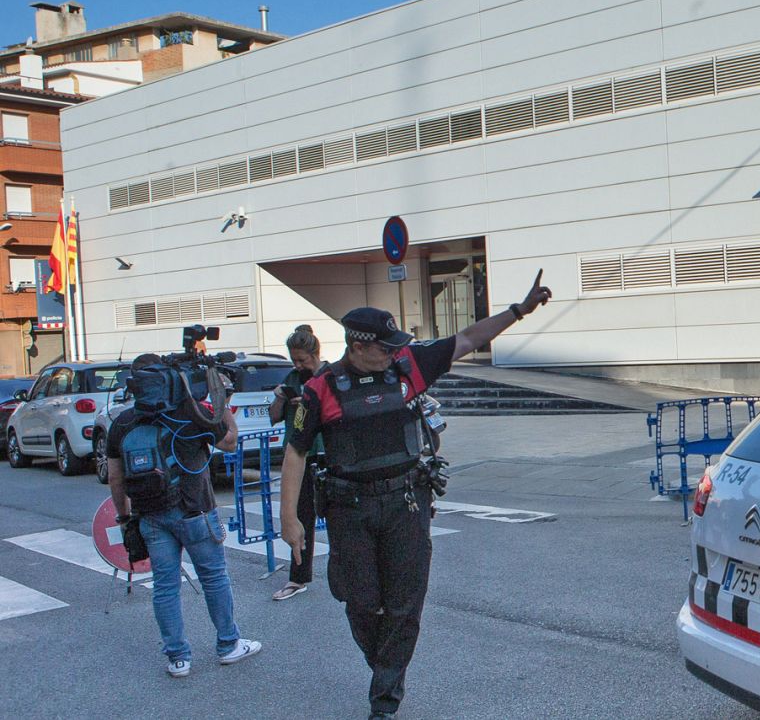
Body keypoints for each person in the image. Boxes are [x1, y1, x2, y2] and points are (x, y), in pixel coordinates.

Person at [279, 274, 551, 720]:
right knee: (361, 602)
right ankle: (386, 667)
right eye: (383, 347)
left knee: (405, 603)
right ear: (357, 345)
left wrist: (518, 311)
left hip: (406, 503)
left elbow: (465, 338)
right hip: (349, 510)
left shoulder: (407, 365)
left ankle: (384, 699)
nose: (391, 352)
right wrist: (290, 519)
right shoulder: (320, 389)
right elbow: (296, 450)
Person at [106, 353, 262, 678]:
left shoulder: (122, 423)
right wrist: (223, 405)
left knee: (165, 587)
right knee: (214, 578)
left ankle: (178, 658)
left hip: (151, 516)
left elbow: (116, 478)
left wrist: (125, 519)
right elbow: (231, 444)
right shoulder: (190, 412)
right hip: (196, 511)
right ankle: (228, 645)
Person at [269, 325, 327, 601]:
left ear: (315, 353)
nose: (298, 365)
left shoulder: (329, 376)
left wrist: (308, 398)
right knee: (301, 517)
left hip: (326, 452)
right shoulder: (292, 377)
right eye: (294, 359)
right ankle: (298, 577)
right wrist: (282, 396)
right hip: (297, 455)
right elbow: (273, 416)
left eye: (302, 360)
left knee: (340, 515)